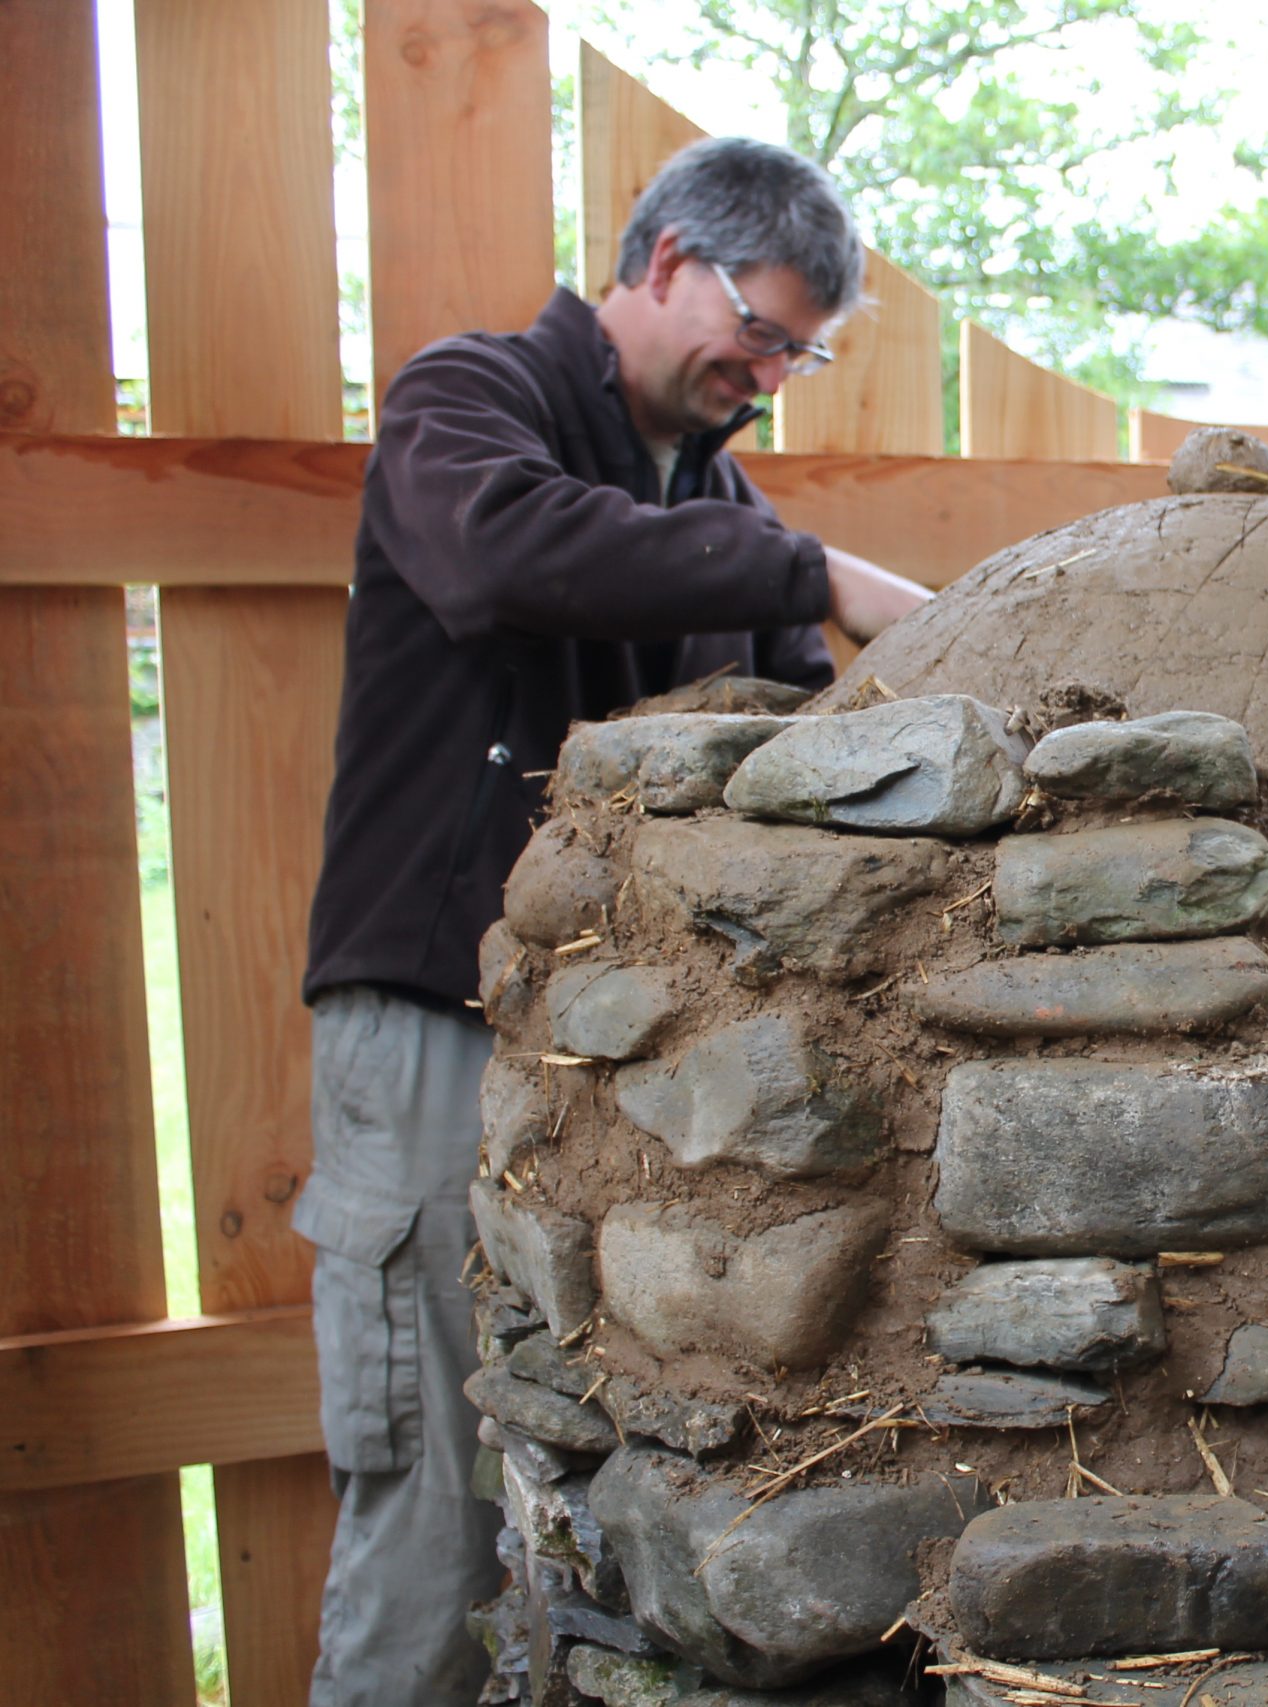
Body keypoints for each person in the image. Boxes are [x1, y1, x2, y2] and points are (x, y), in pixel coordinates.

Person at [294, 136, 927, 1706]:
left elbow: (807, 709)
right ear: (661, 261)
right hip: (435, 1019)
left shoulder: (710, 490)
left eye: (801, 351)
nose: (771, 375)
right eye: (763, 332)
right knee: (433, 1512)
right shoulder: (470, 400)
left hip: (615, 1068)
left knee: (599, 1499)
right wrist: (816, 562)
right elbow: (507, 550)